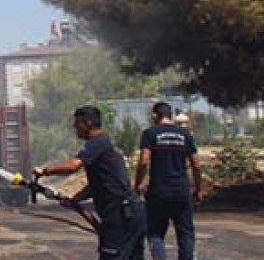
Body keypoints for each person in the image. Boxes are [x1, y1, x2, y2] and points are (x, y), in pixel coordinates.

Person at [34, 106, 145, 259]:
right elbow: (98, 185)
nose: (74, 127)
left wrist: (45, 171)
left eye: (77, 123)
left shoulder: (97, 142)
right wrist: (76, 199)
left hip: (121, 214)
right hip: (130, 212)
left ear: (88, 123)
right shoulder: (103, 144)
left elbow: (73, 166)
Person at [135, 101, 201, 260]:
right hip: (181, 190)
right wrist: (198, 188)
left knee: (155, 233)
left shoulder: (150, 133)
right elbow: (196, 165)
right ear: (170, 116)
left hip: (159, 191)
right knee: (185, 233)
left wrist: (137, 185)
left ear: (155, 116)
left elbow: (144, 161)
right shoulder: (185, 134)